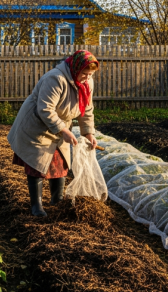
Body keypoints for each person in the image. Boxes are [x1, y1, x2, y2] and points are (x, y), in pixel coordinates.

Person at [7, 50, 99, 217]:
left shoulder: (87, 83)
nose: (87, 78)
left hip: (60, 125)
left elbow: (86, 109)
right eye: (84, 74)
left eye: (90, 74)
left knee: (61, 164)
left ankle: (57, 201)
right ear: (76, 68)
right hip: (36, 125)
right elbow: (45, 109)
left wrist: (88, 133)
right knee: (37, 164)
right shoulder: (56, 79)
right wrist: (63, 130)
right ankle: (37, 206)